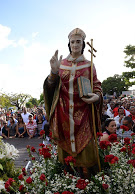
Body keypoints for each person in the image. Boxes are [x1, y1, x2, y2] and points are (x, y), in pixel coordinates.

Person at [43, 28, 103, 178]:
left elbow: (96, 84)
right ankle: (68, 187)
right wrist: (53, 72)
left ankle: (89, 187)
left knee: (87, 159)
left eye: (78, 42)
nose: (75, 45)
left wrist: (97, 96)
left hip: (84, 115)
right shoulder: (61, 64)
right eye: (72, 42)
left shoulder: (89, 64)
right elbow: (51, 87)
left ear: (83, 44)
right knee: (67, 162)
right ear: (68, 44)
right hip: (63, 114)